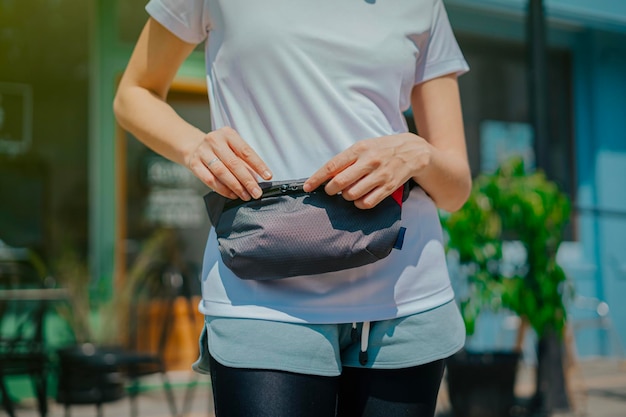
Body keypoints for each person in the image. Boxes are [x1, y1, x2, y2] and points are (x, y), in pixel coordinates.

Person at [114, 1, 471, 416]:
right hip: (261, 291)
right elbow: (133, 93)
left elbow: (456, 188)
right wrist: (195, 146)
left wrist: (418, 152)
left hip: (404, 295)